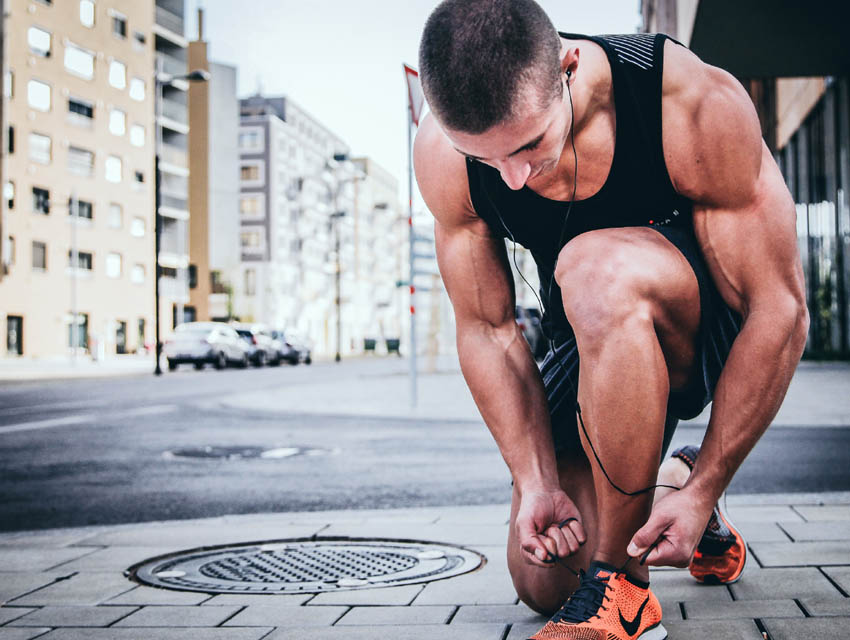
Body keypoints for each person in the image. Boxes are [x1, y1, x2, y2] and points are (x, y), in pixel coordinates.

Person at [413, 1, 809, 639]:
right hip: (587, 334)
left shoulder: (682, 99)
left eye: (528, 145)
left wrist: (710, 482)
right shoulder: (443, 153)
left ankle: (624, 595)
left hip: (696, 326)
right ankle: (665, 482)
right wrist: (535, 479)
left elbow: (780, 309)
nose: (512, 180)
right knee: (543, 579)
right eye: (488, 162)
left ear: (568, 69)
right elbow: (486, 330)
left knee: (594, 267)